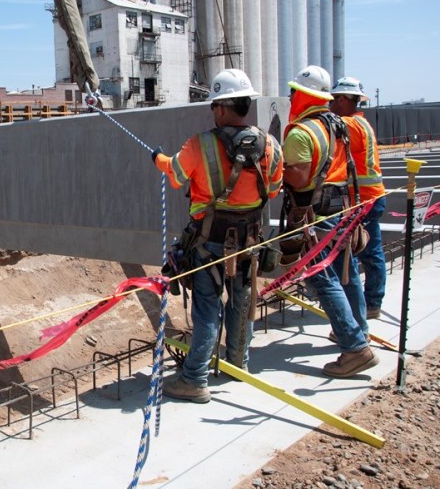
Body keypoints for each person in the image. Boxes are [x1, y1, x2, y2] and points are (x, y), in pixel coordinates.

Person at [152, 69, 283, 403]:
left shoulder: (200, 144)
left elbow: (177, 175)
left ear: (222, 107)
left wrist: (159, 159)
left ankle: (194, 378)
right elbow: (274, 188)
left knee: (208, 308)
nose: (213, 112)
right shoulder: (271, 145)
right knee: (243, 302)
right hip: (250, 240)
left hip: (210, 242)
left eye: (214, 106)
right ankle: (238, 364)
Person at [281, 65, 378, 378]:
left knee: (323, 279)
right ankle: (358, 330)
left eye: (294, 91)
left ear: (304, 95)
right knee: (343, 272)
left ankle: (354, 347)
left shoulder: (301, 132)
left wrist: (274, 172)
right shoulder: (336, 123)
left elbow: (298, 177)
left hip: (316, 214)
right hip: (341, 209)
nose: (291, 95)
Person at [329, 77, 386, 319]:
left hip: (365, 199)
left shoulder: (349, 124)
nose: (330, 104)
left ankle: (371, 303)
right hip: (368, 197)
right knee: (369, 250)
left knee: (368, 252)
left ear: (343, 99)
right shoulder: (360, 123)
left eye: (333, 99)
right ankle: (370, 301)